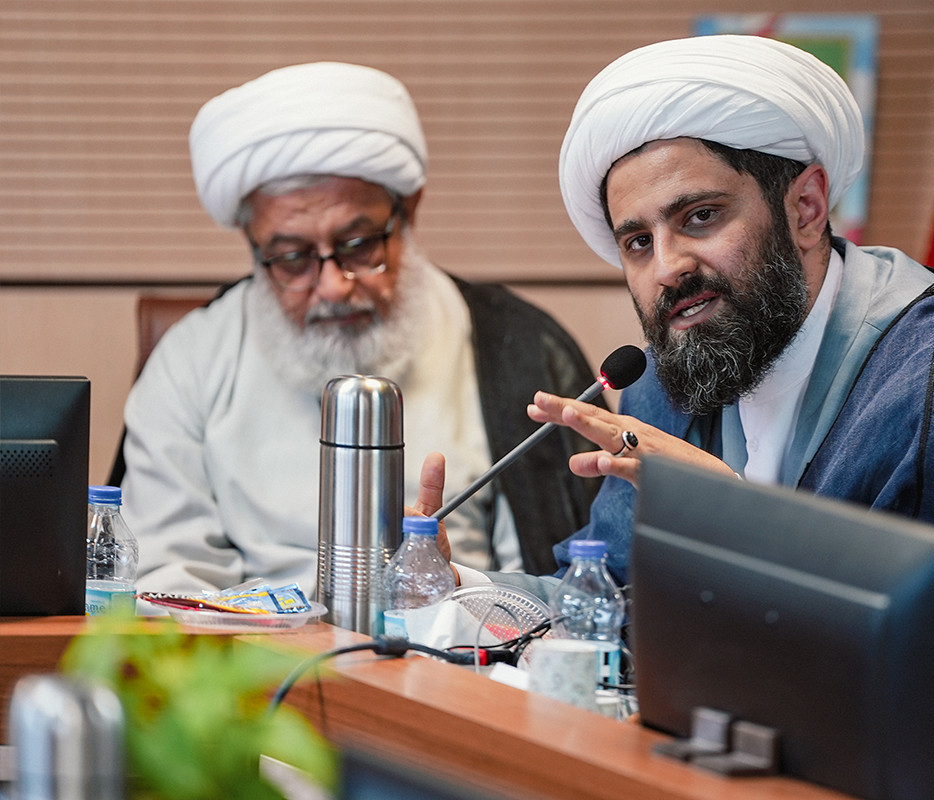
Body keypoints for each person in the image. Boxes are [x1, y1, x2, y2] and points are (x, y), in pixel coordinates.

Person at [426, 36, 934, 774]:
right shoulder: (672, 376)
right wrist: (454, 587)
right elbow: (601, 606)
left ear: (807, 208)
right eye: (638, 242)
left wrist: (738, 524)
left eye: (699, 217)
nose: (668, 269)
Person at [118, 61, 603, 596]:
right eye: (292, 257)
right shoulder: (190, 361)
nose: (332, 286)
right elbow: (165, 581)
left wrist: (449, 598)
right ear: (253, 247)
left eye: (358, 245)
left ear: (407, 211)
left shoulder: (518, 348)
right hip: (251, 646)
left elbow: (555, 589)